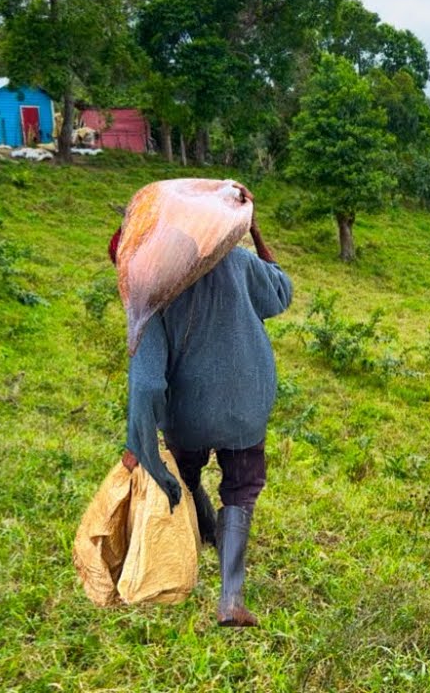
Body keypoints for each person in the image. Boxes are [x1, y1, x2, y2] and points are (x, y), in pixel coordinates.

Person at [112, 185, 292, 626]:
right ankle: (230, 598)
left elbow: (149, 382)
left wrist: (139, 443)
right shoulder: (241, 262)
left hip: (187, 415)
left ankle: (204, 531)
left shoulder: (155, 289)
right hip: (247, 406)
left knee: (183, 474)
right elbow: (282, 293)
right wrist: (256, 234)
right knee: (241, 489)